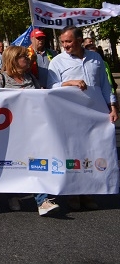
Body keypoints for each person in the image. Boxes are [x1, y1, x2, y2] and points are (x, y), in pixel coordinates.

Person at [47, 26, 117, 211]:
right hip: (70, 115)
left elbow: (104, 84)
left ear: (79, 40)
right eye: (62, 42)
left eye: (68, 41)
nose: (65, 46)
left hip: (95, 114)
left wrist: (113, 106)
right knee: (72, 153)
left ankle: (88, 192)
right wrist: (68, 83)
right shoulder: (57, 62)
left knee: (91, 151)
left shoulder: (96, 58)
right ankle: (73, 194)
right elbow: (50, 88)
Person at [0, 46, 59, 216]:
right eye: (23, 57)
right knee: (13, 165)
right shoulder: (0, 79)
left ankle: (42, 200)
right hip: (9, 133)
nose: (27, 59)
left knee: (36, 162)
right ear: (13, 59)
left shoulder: (31, 78)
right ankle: (12, 195)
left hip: (33, 130)